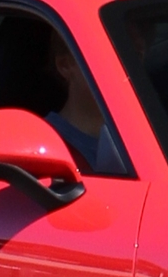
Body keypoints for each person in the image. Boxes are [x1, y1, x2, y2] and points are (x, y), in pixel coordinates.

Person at [47, 41, 128, 176]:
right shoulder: (46, 147)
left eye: (136, 55)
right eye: (112, 56)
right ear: (65, 65)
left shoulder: (152, 141)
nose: (127, 70)